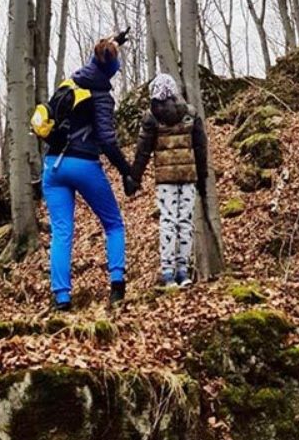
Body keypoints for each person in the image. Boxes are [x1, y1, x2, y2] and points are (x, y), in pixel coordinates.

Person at [41, 36, 139, 311]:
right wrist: (126, 172)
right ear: (110, 69)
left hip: (52, 166)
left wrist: (113, 40)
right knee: (113, 224)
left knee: (62, 233)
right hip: (83, 164)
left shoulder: (71, 83)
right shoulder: (101, 97)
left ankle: (62, 299)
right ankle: (117, 287)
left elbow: (98, 60)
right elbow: (107, 141)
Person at [130, 73, 208, 288]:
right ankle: (183, 272)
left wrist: (133, 178)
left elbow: (143, 151)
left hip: (165, 181)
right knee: (185, 222)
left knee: (168, 222)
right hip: (189, 178)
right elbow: (201, 149)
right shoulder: (190, 114)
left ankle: (167, 272)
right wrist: (202, 178)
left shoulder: (152, 117)